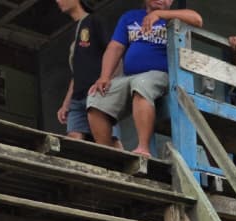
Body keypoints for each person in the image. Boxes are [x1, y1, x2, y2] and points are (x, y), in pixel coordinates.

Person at [86, 0, 203, 157]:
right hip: (130, 77)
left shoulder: (174, 17)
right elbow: (115, 47)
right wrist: (104, 76)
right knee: (96, 98)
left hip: (161, 75)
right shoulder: (130, 17)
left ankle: (143, 148)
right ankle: (109, 153)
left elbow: (197, 19)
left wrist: (159, 14)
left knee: (141, 84)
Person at [55, 0, 108, 142]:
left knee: (108, 139)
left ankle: (127, 164)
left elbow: (113, 53)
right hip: (77, 98)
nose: (58, 1)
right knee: (73, 138)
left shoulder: (94, 21)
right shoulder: (73, 31)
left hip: (97, 93)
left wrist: (106, 80)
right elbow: (76, 72)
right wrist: (66, 103)